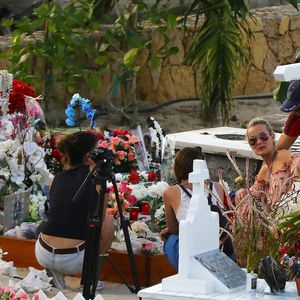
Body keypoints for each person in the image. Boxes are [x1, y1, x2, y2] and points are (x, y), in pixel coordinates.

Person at [35, 131, 115, 290]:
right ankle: (90, 279)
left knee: (56, 219)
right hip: (73, 259)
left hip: (42, 252)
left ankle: (55, 275)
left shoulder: (56, 178)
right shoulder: (98, 182)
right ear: (88, 156)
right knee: (108, 221)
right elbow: (98, 219)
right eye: (97, 150)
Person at [159, 147, 235, 272]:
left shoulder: (172, 192)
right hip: (219, 246)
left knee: (171, 238)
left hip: (192, 251)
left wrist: (167, 230)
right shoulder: (218, 187)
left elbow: (174, 229)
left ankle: (184, 271)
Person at [236, 118, 299, 211]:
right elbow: (252, 200)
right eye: (253, 140)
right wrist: (242, 193)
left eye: (263, 136)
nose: (259, 142)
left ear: (272, 136)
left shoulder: (283, 155)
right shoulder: (264, 170)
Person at [276, 79, 300, 151]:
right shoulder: (296, 118)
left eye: (298, 109)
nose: (295, 112)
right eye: (294, 109)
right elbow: (278, 150)